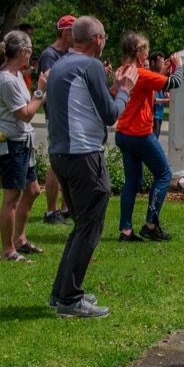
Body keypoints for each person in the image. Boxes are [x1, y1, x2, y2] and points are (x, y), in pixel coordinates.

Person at [45, 16, 138, 319]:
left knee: (81, 223)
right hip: (84, 154)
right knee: (90, 225)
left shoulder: (61, 64)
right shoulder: (91, 65)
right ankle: (70, 298)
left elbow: (86, 103)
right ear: (97, 39)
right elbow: (111, 114)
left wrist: (111, 88)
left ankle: (61, 292)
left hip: (61, 153)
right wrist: (125, 89)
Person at [0, 30, 47, 262]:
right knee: (11, 197)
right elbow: (25, 113)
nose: (31, 56)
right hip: (11, 146)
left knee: (33, 190)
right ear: (24, 51)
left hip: (23, 143)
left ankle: (20, 239)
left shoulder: (16, 75)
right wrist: (40, 92)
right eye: (30, 51)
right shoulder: (6, 80)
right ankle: (8, 250)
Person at [114, 33, 182, 243]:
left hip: (123, 133)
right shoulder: (141, 73)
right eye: (145, 49)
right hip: (140, 134)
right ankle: (150, 224)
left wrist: (161, 71)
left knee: (132, 182)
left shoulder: (122, 71)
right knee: (163, 174)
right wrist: (178, 66)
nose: (147, 53)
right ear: (138, 52)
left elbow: (149, 91)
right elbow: (174, 83)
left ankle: (126, 229)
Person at [37, 15, 77, 225]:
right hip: (55, 115)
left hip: (69, 115)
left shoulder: (69, 54)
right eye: (74, 30)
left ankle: (65, 208)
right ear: (65, 32)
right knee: (56, 162)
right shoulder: (49, 55)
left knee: (68, 161)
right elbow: (48, 82)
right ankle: (51, 212)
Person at [149, 51, 170, 137]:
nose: (163, 65)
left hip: (159, 115)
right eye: (161, 62)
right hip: (153, 117)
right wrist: (166, 100)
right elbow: (152, 99)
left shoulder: (158, 78)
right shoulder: (150, 77)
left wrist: (166, 97)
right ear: (153, 63)